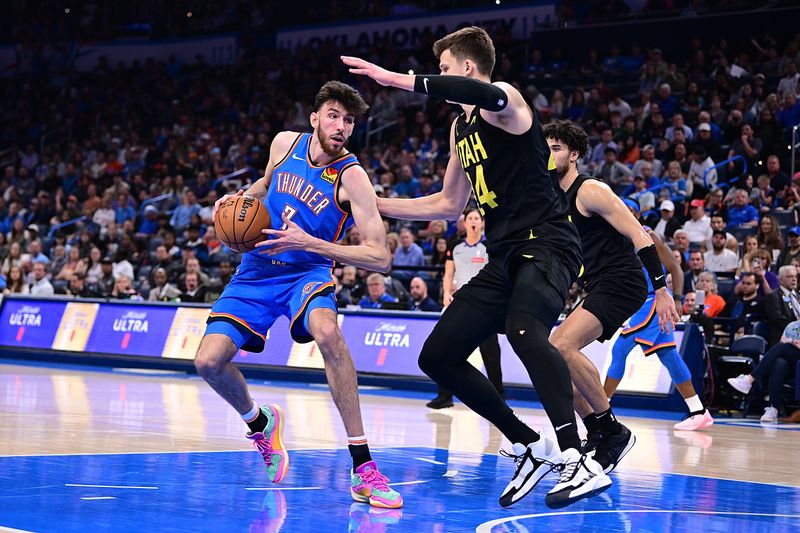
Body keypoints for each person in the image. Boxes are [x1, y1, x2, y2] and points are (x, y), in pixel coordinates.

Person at [343, 26, 610, 509]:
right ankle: (530, 444)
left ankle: (578, 454)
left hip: (549, 241)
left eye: (444, 68)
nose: (440, 78)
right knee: (437, 357)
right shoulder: (458, 129)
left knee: (527, 330)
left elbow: (476, 91)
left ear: (466, 67)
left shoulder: (503, 101)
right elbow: (448, 203)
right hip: (506, 254)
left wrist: (395, 78)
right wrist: (375, 203)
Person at [197, 81, 402, 509]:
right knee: (207, 362)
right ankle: (260, 422)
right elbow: (266, 184)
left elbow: (380, 258)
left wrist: (311, 244)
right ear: (314, 118)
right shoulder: (284, 144)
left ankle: (363, 467)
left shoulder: (353, 177)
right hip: (256, 270)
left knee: (328, 334)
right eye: (333, 115)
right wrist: (237, 201)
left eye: (348, 120)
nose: (341, 126)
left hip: (307, 271)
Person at [545, 120, 678, 467]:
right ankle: (598, 431)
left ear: (574, 155)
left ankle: (613, 430)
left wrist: (662, 289)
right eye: (546, 147)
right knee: (552, 359)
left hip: (623, 279)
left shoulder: (590, 190)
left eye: (556, 147)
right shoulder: (551, 199)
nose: (549, 153)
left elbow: (640, 235)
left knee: (561, 345)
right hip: (596, 283)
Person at [602, 218, 713, 430]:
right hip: (639, 301)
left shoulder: (647, 235)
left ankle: (601, 407)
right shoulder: (616, 239)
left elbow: (675, 268)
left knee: (620, 348)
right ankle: (698, 411)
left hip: (654, 300)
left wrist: (678, 299)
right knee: (669, 355)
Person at [429, 207, 504, 409]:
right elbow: (448, 273)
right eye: (469, 217)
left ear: (481, 223)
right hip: (460, 303)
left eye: (476, 218)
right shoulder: (455, 246)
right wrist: (446, 293)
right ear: (464, 222)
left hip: (485, 306)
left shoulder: (490, 246)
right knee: (446, 350)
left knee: (491, 352)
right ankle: (444, 397)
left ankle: (499, 396)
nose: (472, 221)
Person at [728, 319, 800, 423]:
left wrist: (794, 344)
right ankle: (773, 408)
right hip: (791, 364)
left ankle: (749, 379)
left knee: (781, 348)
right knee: (779, 363)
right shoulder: (791, 326)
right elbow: (783, 344)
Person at [759, 265, 800, 348]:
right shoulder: (773, 296)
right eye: (790, 276)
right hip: (782, 338)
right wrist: (796, 328)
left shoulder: (798, 295)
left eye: (795, 276)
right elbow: (778, 319)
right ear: (780, 279)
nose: (794, 279)